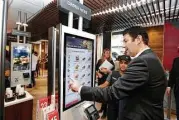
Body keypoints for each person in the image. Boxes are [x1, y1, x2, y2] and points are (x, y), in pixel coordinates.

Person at [70, 26, 167, 120]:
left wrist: (80, 88)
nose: (124, 45)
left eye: (126, 41)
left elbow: (112, 93)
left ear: (138, 39)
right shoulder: (151, 57)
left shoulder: (142, 62)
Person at [99, 55, 131, 120]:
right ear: (119, 63)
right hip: (112, 103)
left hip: (125, 105)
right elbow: (105, 84)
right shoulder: (113, 73)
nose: (123, 65)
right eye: (121, 63)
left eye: (125, 63)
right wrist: (95, 88)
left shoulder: (130, 75)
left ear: (129, 64)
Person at [95, 48, 115, 119]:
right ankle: (102, 108)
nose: (107, 54)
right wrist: (98, 73)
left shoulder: (111, 62)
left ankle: (105, 112)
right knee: (101, 95)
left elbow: (113, 72)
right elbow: (95, 69)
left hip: (107, 80)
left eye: (108, 53)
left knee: (106, 95)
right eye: (106, 53)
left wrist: (108, 70)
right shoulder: (100, 61)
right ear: (103, 53)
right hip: (101, 79)